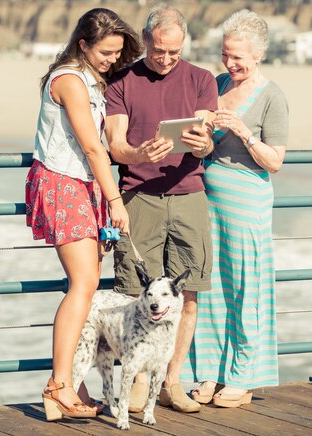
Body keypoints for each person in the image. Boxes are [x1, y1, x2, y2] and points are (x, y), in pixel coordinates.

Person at [25, 8, 141, 421]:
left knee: (86, 287)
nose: (113, 59)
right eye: (107, 51)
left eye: (118, 52)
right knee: (84, 283)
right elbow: (93, 148)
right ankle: (58, 386)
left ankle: (73, 383)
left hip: (85, 185)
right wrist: (115, 202)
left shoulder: (92, 79)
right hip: (64, 183)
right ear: (83, 45)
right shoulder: (70, 80)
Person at [105, 4, 217, 414]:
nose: (166, 58)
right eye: (158, 51)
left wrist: (205, 145)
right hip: (139, 197)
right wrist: (138, 152)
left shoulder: (201, 79)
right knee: (135, 293)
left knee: (189, 295)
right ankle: (136, 382)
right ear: (147, 40)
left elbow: (205, 135)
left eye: (174, 51)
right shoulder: (122, 79)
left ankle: (172, 381)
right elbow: (115, 146)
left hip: (189, 196)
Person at [182, 9, 289, 408]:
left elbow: (275, 161)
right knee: (209, 290)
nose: (230, 63)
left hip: (247, 206)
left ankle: (243, 376)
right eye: (225, 54)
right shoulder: (218, 83)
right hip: (206, 201)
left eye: (238, 57)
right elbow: (204, 145)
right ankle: (208, 372)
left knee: (246, 289)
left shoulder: (272, 96)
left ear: (259, 54)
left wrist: (243, 131)